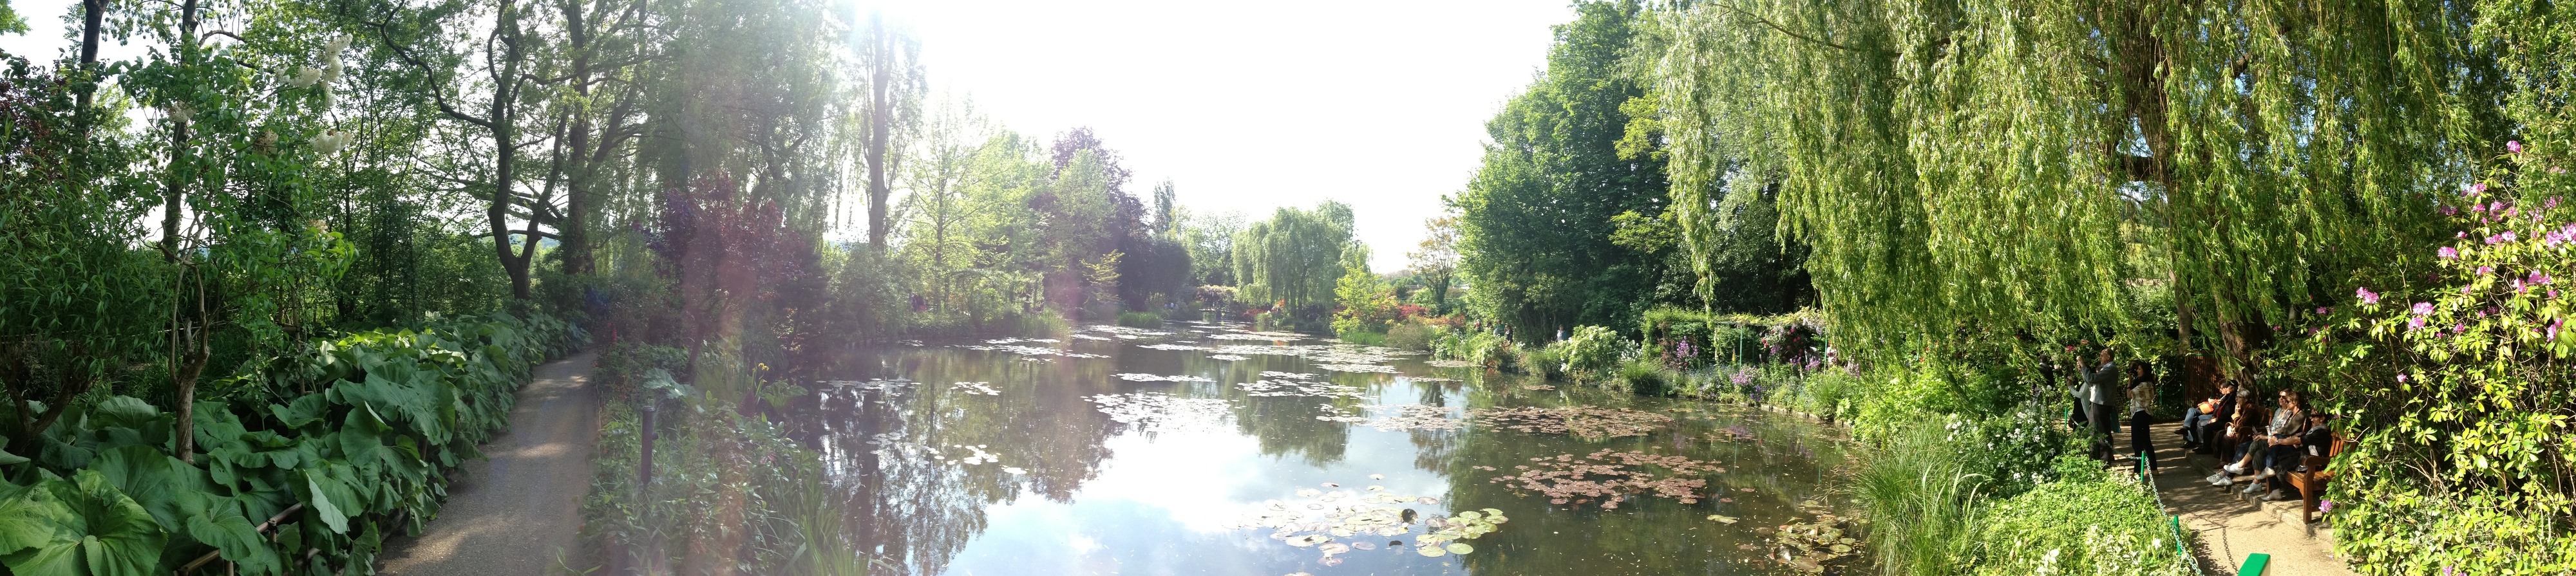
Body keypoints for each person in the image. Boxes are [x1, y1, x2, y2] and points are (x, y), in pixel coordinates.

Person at [2076, 348, 2122, 462]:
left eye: (2102, 355)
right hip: (2096, 403)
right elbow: (2091, 383)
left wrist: (2083, 364)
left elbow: (2092, 378)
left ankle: (2105, 460)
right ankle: (2094, 458)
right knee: (2093, 431)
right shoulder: (2106, 368)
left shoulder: (2111, 369)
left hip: (2102, 405)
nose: (2100, 357)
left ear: (2108, 357)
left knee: (2103, 433)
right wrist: (2083, 371)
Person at [2179, 379, 2238, 451]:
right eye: (2224, 388)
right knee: (2193, 417)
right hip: (2215, 415)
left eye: (2226, 388)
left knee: (2202, 424)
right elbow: (2219, 408)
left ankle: (2204, 446)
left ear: (2232, 388)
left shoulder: (2233, 398)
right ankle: (2190, 437)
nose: (2224, 389)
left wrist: (2215, 416)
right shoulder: (2227, 397)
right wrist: (2214, 416)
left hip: (2223, 420)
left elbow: (2227, 412)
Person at [2126, 366, 2157, 467]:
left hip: (2140, 414)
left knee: (2137, 443)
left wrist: (2130, 380)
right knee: (2146, 442)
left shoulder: (2144, 385)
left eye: (2139, 369)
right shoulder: (2149, 383)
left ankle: (2138, 470)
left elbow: (2129, 395)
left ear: (2145, 371)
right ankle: (2153, 468)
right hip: (2143, 414)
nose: (2137, 371)